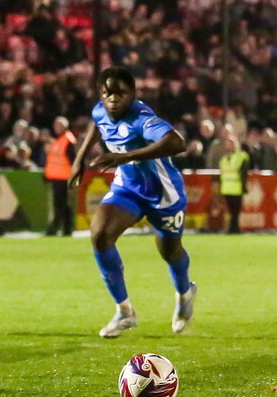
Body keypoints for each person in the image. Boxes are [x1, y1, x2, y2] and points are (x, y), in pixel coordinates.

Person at [68, 66, 196, 338]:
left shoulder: (142, 118)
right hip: (128, 188)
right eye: (107, 93)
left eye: (120, 93)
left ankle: (185, 293)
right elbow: (95, 122)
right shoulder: (101, 109)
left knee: (169, 251)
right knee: (100, 234)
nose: (113, 99)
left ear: (133, 94)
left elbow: (177, 142)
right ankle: (124, 310)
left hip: (163, 192)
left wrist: (124, 157)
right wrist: (79, 159)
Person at [44, 116, 77, 236]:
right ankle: (66, 229)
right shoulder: (59, 140)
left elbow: (73, 159)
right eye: (55, 125)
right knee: (62, 205)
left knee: (61, 205)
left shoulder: (67, 140)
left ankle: (56, 228)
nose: (56, 128)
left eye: (59, 125)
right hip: (57, 177)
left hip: (64, 177)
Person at [218, 136, 250, 234]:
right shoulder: (223, 159)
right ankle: (232, 228)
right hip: (226, 187)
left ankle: (235, 228)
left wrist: (244, 186)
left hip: (236, 187)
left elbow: (244, 172)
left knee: (236, 211)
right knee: (230, 210)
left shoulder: (241, 156)